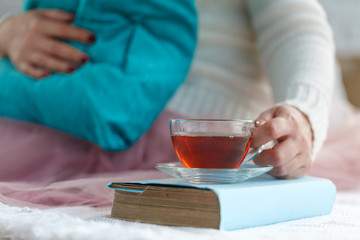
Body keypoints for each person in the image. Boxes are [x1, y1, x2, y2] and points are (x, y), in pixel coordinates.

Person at [0, 0, 336, 181]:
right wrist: (5, 32)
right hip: (65, 118)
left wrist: (302, 113)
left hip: (208, 137)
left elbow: (294, 26)